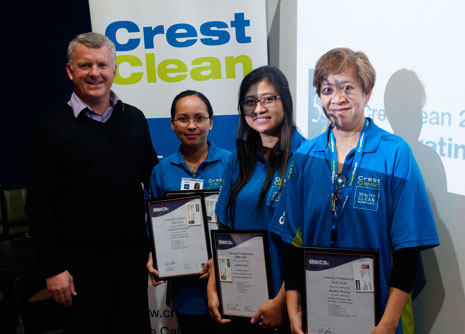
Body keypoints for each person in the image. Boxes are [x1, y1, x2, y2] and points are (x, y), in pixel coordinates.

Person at [270, 48, 439, 334]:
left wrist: (388, 324)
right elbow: (292, 243)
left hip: (378, 319)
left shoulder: (395, 154)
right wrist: (293, 307)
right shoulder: (305, 156)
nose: (337, 99)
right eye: (327, 89)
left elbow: (408, 251)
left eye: (347, 87)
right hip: (319, 315)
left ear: (367, 92)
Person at [25, 32, 158, 333]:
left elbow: (154, 185)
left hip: (131, 264)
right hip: (77, 269)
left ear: (114, 69)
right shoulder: (49, 128)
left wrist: (163, 248)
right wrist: (54, 268)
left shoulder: (135, 120)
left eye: (102, 65)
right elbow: (39, 204)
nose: (95, 73)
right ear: (70, 71)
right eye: (85, 66)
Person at [208, 65, 307, 333]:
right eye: (250, 102)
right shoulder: (239, 161)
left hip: (288, 303)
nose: (258, 108)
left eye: (268, 99)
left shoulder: (308, 157)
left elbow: (310, 242)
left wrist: (280, 301)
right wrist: (214, 284)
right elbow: (226, 229)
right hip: (240, 299)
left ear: (285, 102)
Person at [147, 90, 231, 333]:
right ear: (172, 124)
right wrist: (155, 253)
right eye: (183, 119)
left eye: (199, 118)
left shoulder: (232, 163)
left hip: (227, 280)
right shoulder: (162, 171)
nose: (191, 125)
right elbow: (154, 225)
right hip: (186, 287)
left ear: (211, 122)